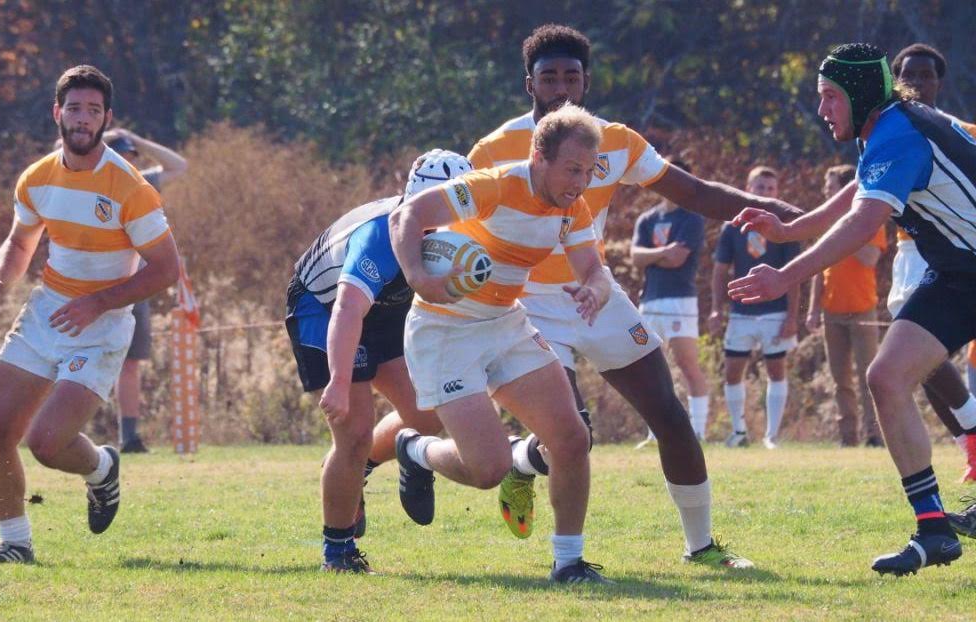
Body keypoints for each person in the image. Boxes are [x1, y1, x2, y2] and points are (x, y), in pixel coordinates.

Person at [467, 24, 801, 568]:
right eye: (548, 77)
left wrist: (785, 214)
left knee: (669, 414)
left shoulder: (615, 141)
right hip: (524, 302)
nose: (561, 88)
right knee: (572, 433)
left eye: (571, 77)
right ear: (528, 83)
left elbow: (693, 192)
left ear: (587, 82)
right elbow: (453, 221)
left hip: (594, 291)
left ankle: (702, 547)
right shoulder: (494, 148)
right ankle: (558, 537)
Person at [727, 43, 976, 575]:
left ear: (860, 95)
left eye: (830, 98)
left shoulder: (900, 132)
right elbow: (861, 189)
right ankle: (934, 530)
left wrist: (785, 275)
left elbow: (864, 222)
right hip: (960, 277)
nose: (823, 111)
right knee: (886, 377)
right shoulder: (883, 127)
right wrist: (790, 229)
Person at [392, 104, 613, 583]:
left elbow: (592, 269)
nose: (580, 182)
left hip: (504, 323)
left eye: (589, 171)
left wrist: (594, 290)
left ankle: (568, 563)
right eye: (572, 169)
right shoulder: (493, 186)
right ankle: (414, 449)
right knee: (487, 470)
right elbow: (408, 215)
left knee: (573, 438)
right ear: (539, 156)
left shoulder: (572, 206)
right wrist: (418, 278)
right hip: (444, 330)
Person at [0, 65, 180, 565]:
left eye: (93, 111)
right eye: (75, 109)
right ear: (57, 113)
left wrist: (99, 302)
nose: (83, 120)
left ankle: (101, 468)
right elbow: (20, 243)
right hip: (47, 311)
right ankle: (14, 544)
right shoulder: (36, 179)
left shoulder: (130, 187)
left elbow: (167, 268)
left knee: (45, 443)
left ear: (107, 118)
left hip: (103, 324)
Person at [284, 149, 470, 573]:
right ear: (412, 200)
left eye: (451, 214)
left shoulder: (459, 229)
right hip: (324, 308)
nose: (441, 227)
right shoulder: (380, 238)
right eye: (431, 213)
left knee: (426, 414)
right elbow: (348, 311)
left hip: (384, 309)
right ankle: (338, 551)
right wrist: (337, 381)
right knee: (353, 433)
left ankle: (366, 466)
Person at [887, 43, 976, 480]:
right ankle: (970, 440)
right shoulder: (887, 133)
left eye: (926, 75)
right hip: (910, 253)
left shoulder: (963, 131)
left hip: (958, 252)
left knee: (915, 359)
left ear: (940, 82)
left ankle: (972, 430)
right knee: (915, 364)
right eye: (909, 75)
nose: (918, 83)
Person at [102, 128, 189, 453]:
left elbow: (178, 165)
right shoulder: (88, 178)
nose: (128, 160)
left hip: (135, 286)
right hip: (94, 285)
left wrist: (136, 138)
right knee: (79, 358)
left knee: (131, 363)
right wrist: (105, 136)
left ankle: (130, 438)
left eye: (132, 156)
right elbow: (60, 147)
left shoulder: (142, 183)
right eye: (122, 154)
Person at [709, 167, 799, 450]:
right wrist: (715, 309)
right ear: (747, 188)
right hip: (740, 312)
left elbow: (794, 274)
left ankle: (771, 436)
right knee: (733, 370)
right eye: (759, 187)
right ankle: (739, 431)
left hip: (775, 311)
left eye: (771, 188)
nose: (765, 193)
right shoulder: (731, 227)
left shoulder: (784, 226)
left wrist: (793, 316)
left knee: (776, 369)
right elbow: (720, 270)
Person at [629, 160, 709, 442]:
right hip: (649, 301)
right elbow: (636, 258)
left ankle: (698, 431)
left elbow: (678, 259)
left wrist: (654, 255)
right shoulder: (647, 219)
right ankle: (655, 434)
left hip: (680, 301)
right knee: (651, 370)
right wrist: (662, 252)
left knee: (687, 365)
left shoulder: (692, 218)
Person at [806, 164, 885, 447]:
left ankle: (875, 435)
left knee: (869, 377)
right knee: (840, 380)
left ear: (845, 190)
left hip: (863, 309)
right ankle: (847, 438)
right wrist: (813, 308)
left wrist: (846, 229)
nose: (826, 193)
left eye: (830, 188)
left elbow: (870, 258)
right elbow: (817, 266)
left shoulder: (870, 217)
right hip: (831, 311)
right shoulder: (825, 223)